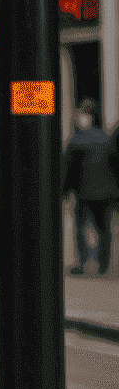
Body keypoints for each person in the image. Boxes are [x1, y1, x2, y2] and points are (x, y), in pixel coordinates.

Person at [63, 101, 118, 276]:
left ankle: (83, 261)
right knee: (104, 229)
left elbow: (70, 169)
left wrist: (66, 190)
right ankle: (103, 264)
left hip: (85, 192)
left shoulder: (77, 141)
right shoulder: (106, 139)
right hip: (107, 192)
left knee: (81, 228)